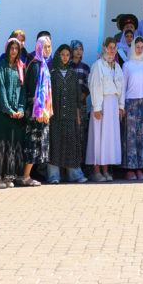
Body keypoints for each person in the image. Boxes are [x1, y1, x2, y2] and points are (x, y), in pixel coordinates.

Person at [0, 37, 26, 187]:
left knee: (11, 146)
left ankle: (8, 177)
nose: (14, 51)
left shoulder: (20, 67)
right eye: (12, 48)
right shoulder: (1, 67)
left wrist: (20, 108)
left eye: (16, 49)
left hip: (15, 114)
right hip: (1, 114)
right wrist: (9, 110)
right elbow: (0, 91)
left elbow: (22, 89)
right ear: (7, 49)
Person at [87, 37, 125, 181]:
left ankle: (106, 170)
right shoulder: (98, 65)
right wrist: (97, 107)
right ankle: (96, 170)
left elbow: (121, 87)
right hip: (102, 104)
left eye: (114, 48)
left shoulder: (117, 66)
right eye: (109, 47)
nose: (112, 50)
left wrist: (121, 106)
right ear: (104, 48)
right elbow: (95, 86)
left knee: (109, 138)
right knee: (98, 137)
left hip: (113, 105)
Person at [47, 43, 86, 183]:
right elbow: (49, 96)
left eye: (67, 55)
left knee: (71, 143)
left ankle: (74, 174)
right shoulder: (52, 74)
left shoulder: (73, 75)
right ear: (58, 55)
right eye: (62, 54)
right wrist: (49, 115)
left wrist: (77, 116)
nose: (65, 57)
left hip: (70, 115)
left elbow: (77, 98)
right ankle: (54, 176)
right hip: (55, 115)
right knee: (55, 144)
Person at [19, 34, 53, 186]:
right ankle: (25, 176)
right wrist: (39, 111)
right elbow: (33, 92)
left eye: (49, 47)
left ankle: (28, 175)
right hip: (35, 111)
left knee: (38, 145)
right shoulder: (35, 65)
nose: (47, 49)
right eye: (45, 47)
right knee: (32, 144)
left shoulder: (44, 64)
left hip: (42, 111)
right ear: (39, 47)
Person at [122, 36, 143, 180]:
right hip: (131, 103)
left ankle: (141, 168)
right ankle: (130, 169)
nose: (140, 49)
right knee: (131, 137)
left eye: (142, 47)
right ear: (133, 48)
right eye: (137, 46)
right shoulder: (127, 65)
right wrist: (122, 105)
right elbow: (123, 87)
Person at [69, 39, 91, 159]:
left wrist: (82, 96)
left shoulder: (86, 67)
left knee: (81, 132)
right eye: (76, 49)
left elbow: (88, 85)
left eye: (81, 49)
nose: (78, 52)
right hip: (68, 104)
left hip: (81, 104)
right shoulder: (67, 66)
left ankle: (80, 163)